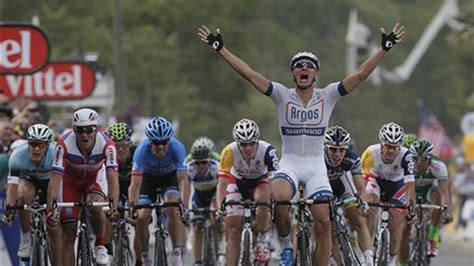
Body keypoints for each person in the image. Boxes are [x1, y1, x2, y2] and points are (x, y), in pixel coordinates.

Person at [198, 21, 405, 265]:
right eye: (298, 67)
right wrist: (221, 49)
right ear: (293, 74)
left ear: (316, 74)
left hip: (316, 166)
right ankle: (286, 244)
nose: (303, 69)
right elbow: (249, 74)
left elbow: (360, 75)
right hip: (291, 163)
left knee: (323, 221)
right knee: (280, 197)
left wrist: (384, 49)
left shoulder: (327, 95)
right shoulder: (281, 95)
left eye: (309, 67)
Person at [47, 108, 120, 266]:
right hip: (70, 181)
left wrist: (113, 206)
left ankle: (100, 244)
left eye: (89, 130)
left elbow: (113, 179)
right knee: (68, 232)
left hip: (94, 179)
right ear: (74, 130)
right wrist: (50, 210)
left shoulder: (107, 144)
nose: (84, 134)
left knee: (95, 205)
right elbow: (54, 180)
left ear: (96, 130)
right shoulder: (63, 144)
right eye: (80, 130)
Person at [128, 116, 189, 266]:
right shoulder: (141, 151)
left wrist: (184, 205)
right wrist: (133, 207)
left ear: (170, 139)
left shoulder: (177, 147)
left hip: (169, 179)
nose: (161, 146)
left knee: (172, 205)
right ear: (150, 141)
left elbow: (183, 180)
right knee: (142, 215)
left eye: (164, 142)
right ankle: (144, 255)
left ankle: (176, 253)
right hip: (148, 181)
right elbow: (135, 185)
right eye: (156, 142)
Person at [218, 118, 278, 265]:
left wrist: (272, 201)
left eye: (252, 143)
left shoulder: (268, 151)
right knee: (233, 231)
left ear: (257, 141)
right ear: (238, 143)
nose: (248, 148)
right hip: (238, 182)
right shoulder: (228, 151)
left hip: (260, 181)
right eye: (243, 144)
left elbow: (273, 181)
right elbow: (222, 183)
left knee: (262, 200)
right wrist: (221, 205)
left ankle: (263, 238)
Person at [362, 122, 415, 266]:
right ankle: (367, 250)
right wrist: (362, 201)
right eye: (388, 146)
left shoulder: (406, 155)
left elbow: (410, 184)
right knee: (371, 209)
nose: (392, 151)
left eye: (395, 147)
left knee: (396, 222)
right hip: (375, 182)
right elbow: (361, 181)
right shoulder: (370, 152)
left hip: (397, 186)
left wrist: (411, 205)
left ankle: (392, 258)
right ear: (381, 144)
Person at [2, 124, 55, 261]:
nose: (36, 149)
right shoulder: (17, 155)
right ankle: (26, 238)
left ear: (48, 146)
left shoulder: (56, 153)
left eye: (41, 145)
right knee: (22, 194)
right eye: (32, 144)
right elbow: (12, 187)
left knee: (56, 217)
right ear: (27, 143)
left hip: (52, 182)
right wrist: (10, 209)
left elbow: (60, 183)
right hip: (30, 181)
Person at [323, 126, 373, 265]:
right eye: (333, 149)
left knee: (358, 219)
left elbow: (361, 187)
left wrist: (363, 202)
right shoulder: (318, 158)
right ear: (326, 148)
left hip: (342, 187)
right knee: (329, 228)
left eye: (341, 150)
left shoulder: (352, 158)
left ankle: (368, 260)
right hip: (324, 188)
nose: (338, 154)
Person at [398, 139, 453, 265]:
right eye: (415, 159)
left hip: (429, 192)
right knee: (404, 229)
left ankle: (432, 236)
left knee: (438, 196)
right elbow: (400, 189)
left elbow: (445, 192)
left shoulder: (438, 166)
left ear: (429, 158)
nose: (418, 163)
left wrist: (447, 209)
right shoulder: (407, 165)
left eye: (423, 159)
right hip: (410, 191)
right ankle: (402, 263)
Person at [187, 137, 223, 265]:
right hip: (199, 196)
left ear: (209, 161)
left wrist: (218, 206)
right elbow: (186, 190)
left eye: (204, 162)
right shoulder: (189, 169)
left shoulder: (216, 168)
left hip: (214, 194)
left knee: (215, 216)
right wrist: (186, 208)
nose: (201, 166)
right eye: (198, 163)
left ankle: (219, 238)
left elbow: (221, 188)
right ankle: (197, 261)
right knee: (197, 226)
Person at [104, 123, 138, 258]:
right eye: (116, 146)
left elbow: (138, 184)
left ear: (130, 144)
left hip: (133, 187)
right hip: (113, 187)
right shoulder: (106, 155)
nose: (121, 150)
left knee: (139, 219)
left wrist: (134, 207)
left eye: (124, 145)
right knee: (108, 214)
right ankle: (107, 249)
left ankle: (140, 259)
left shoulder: (137, 154)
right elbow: (106, 183)